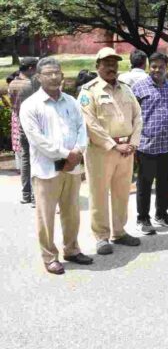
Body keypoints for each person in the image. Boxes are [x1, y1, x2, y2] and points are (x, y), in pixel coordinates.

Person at [20, 57, 93, 274]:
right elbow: (37, 139)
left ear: (62, 75)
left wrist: (79, 151)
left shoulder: (71, 101)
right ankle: (50, 256)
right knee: (46, 216)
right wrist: (66, 154)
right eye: (48, 73)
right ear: (38, 77)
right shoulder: (30, 105)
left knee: (72, 211)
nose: (53, 77)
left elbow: (82, 128)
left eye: (57, 73)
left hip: (72, 168)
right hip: (46, 170)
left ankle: (72, 249)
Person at [78, 47, 143, 255]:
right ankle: (101, 236)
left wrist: (133, 142)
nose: (111, 67)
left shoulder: (126, 89)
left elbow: (138, 117)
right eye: (106, 63)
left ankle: (119, 231)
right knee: (98, 194)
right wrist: (114, 145)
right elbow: (89, 123)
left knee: (122, 193)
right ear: (97, 66)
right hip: (101, 150)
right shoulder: (89, 91)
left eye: (114, 63)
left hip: (126, 150)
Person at [131, 52, 168, 235]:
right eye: (153, 66)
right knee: (144, 184)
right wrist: (133, 144)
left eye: (161, 66)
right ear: (148, 67)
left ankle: (161, 214)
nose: (157, 70)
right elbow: (132, 117)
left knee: (164, 182)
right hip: (146, 145)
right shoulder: (138, 88)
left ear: (166, 68)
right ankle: (143, 218)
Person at [8, 57, 38, 205]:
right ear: (31, 68)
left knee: (25, 159)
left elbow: (12, 103)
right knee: (35, 159)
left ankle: (25, 194)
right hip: (33, 125)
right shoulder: (31, 85)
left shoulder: (13, 83)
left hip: (20, 123)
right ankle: (34, 196)